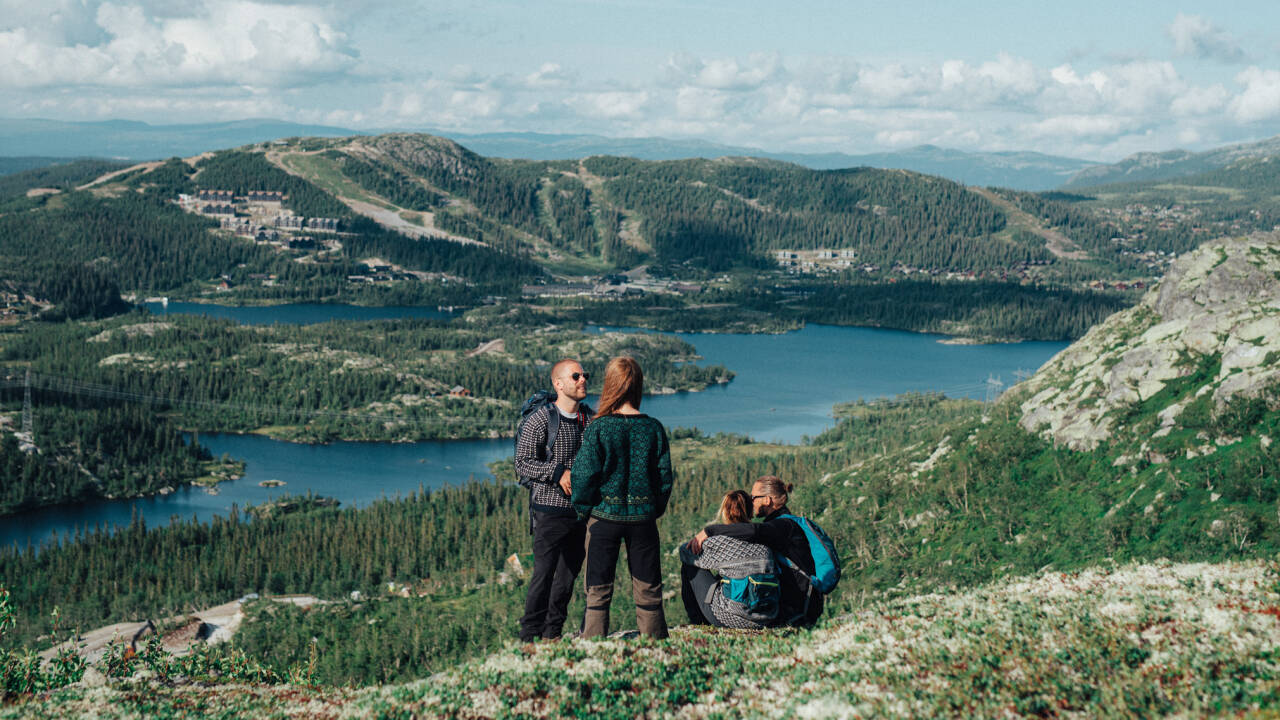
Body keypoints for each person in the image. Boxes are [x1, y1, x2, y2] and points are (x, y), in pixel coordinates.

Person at [571, 356, 673, 639]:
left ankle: (594, 652)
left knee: (597, 592)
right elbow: (664, 479)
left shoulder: (600, 427)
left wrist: (585, 510)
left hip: (603, 519)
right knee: (649, 591)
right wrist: (652, 509)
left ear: (611, 386)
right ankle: (656, 652)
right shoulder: (653, 428)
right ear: (637, 386)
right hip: (643, 520)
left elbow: (583, 477)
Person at [513, 358, 592, 642]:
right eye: (576, 376)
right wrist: (557, 472)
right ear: (558, 384)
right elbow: (522, 464)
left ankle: (552, 635)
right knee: (544, 575)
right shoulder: (540, 420)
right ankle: (528, 637)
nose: (583, 380)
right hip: (549, 511)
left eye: (585, 375)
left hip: (580, 512)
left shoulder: (589, 420)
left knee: (567, 578)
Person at [689, 475, 824, 627]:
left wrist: (709, 530)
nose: (751, 502)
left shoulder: (784, 525)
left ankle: (699, 621)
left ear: (767, 500)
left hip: (797, 609)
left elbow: (753, 530)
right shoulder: (782, 525)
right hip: (797, 603)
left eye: (754, 497)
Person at [679, 490, 779, 629]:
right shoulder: (764, 541)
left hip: (731, 617)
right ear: (750, 512)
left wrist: (702, 540)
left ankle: (698, 622)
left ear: (725, 512)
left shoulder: (720, 542)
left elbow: (684, 552)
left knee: (690, 566)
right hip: (766, 616)